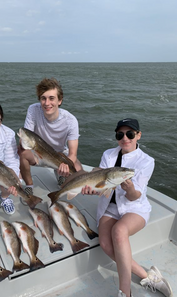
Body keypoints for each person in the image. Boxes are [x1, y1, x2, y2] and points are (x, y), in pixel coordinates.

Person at [81, 118, 173, 297]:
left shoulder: (146, 161)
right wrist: (91, 190)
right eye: (120, 134)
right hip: (109, 208)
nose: (125, 138)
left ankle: (125, 293)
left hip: (135, 208)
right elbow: (102, 185)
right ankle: (148, 276)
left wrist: (129, 189)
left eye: (130, 134)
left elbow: (134, 196)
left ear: (138, 135)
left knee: (119, 231)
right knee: (106, 244)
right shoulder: (108, 155)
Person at [18, 77, 82, 195]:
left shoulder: (71, 120)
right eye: (43, 98)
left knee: (78, 171)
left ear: (60, 100)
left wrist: (65, 166)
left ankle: (61, 175)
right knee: (21, 152)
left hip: (60, 155)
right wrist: (22, 143)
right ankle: (29, 185)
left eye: (51, 98)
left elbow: (73, 154)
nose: (47, 103)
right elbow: (27, 137)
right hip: (38, 153)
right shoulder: (33, 110)